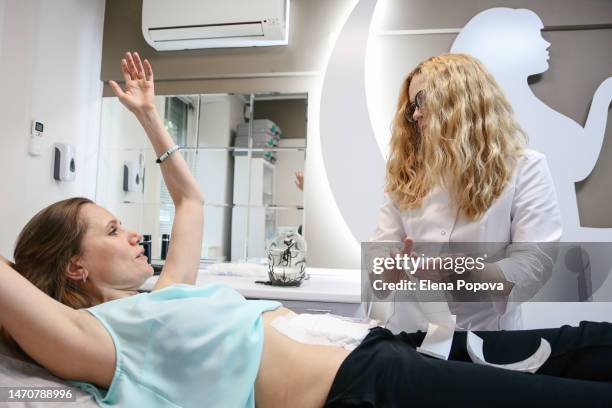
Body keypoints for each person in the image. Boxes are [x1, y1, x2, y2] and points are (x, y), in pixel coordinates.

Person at [1, 52, 611, 408]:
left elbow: (189, 200)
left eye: (426, 103)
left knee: (588, 341)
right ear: (75, 267)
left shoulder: (165, 296)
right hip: (365, 376)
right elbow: (385, 267)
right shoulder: (98, 336)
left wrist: (151, 117)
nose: (136, 235)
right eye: (112, 229)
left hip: (382, 346)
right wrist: (416, 275)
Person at [371, 53, 563, 332]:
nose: (415, 114)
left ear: (460, 100)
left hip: (486, 340)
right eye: (413, 105)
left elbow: (534, 264)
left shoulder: (525, 167)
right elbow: (381, 254)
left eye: (422, 100)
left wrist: (471, 274)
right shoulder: (407, 171)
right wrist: (385, 271)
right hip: (409, 335)